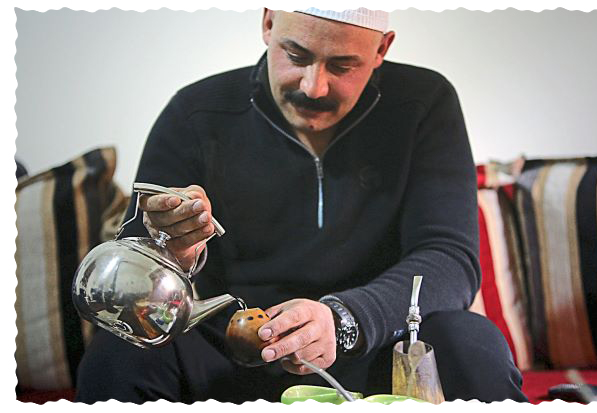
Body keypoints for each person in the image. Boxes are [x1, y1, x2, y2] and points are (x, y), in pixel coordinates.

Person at [75, 8, 528, 404]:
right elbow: (136, 261)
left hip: (375, 351)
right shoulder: (196, 112)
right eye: (296, 56)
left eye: (343, 64)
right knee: (119, 352)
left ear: (382, 49)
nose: (314, 87)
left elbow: (450, 261)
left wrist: (343, 319)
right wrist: (173, 252)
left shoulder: (423, 104)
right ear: (268, 22)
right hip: (226, 358)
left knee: (472, 342)